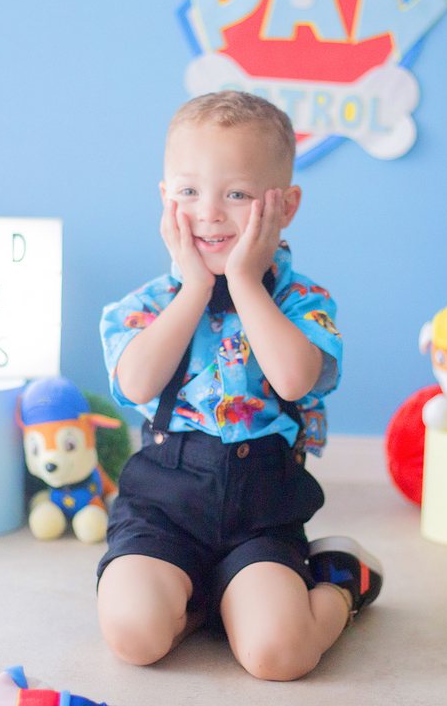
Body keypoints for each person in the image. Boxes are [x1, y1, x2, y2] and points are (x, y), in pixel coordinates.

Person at [96, 90, 382, 681]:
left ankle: (341, 583)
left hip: (260, 512)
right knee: (133, 635)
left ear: (285, 206)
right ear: (165, 198)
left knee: (279, 656)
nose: (209, 212)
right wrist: (196, 288)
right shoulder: (145, 305)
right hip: (163, 509)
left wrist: (246, 282)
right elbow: (137, 380)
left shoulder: (301, 302)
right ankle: (200, 598)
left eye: (237, 194)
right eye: (189, 191)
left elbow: (295, 378)